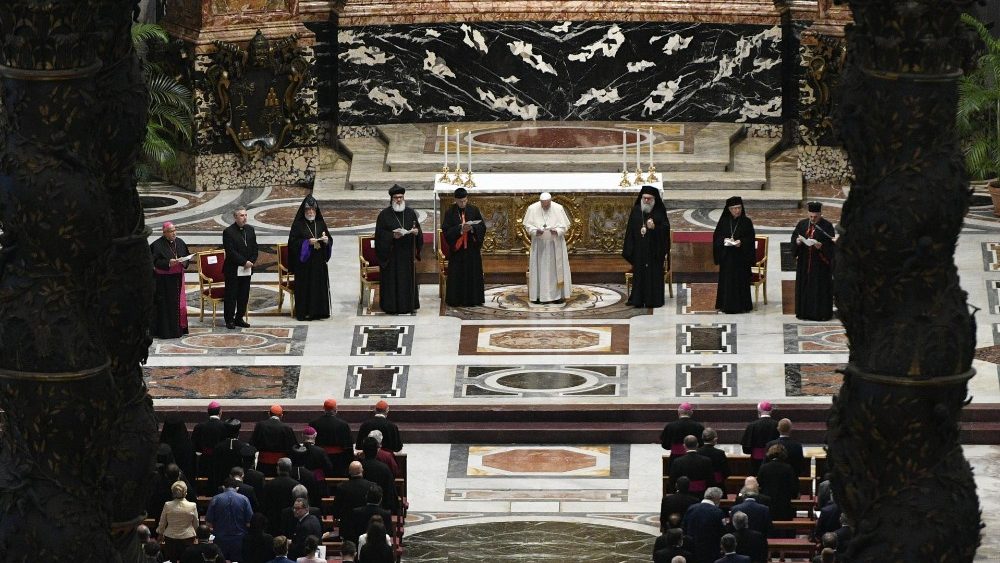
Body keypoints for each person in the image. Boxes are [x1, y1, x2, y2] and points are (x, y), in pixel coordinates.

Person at [374, 185, 423, 314]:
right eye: (396, 198)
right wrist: (392, 236)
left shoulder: (410, 213)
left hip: (406, 255)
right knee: (392, 282)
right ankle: (391, 306)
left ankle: (408, 306)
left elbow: (418, 230)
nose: (399, 200)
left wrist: (416, 232)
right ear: (391, 199)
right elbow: (379, 236)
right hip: (391, 256)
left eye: (401, 197)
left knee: (406, 281)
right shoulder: (384, 215)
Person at [623, 185, 671, 307]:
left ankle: (653, 300)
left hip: (654, 251)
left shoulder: (659, 211)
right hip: (639, 251)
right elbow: (630, 231)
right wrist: (630, 249)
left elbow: (665, 230)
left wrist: (655, 228)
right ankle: (637, 299)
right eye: (644, 198)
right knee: (639, 273)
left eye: (649, 199)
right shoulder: (636, 211)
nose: (646, 201)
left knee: (652, 274)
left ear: (654, 199)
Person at [522, 192, 572, 304]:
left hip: (555, 243)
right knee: (540, 269)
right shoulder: (532, 208)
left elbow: (565, 226)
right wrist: (535, 231)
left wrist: (557, 231)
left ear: (550, 201)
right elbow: (527, 226)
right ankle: (538, 295)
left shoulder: (558, 208)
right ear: (540, 202)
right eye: (543, 204)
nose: (545, 206)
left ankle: (558, 296)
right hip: (539, 244)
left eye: (547, 204)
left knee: (555, 271)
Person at [288, 195, 331, 321]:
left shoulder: (320, 223)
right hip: (304, 265)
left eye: (313, 210)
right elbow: (292, 243)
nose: (311, 212)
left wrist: (327, 241)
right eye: (308, 210)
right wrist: (306, 243)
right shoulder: (298, 225)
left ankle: (320, 311)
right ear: (304, 211)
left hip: (319, 262)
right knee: (306, 288)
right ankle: (306, 312)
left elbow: (329, 239)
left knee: (318, 287)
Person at [441, 187, 487, 306]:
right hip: (458, 251)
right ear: (456, 200)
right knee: (457, 275)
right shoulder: (450, 212)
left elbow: (482, 227)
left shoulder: (474, 210)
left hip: (471, 249)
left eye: (465, 201)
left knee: (473, 274)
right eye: (460, 201)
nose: (463, 203)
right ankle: (456, 300)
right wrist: (460, 229)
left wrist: (472, 228)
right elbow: (446, 231)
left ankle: (473, 299)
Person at [791, 201, 836, 320]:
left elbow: (831, 246)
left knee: (819, 289)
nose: (813, 219)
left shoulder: (827, 226)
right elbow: (794, 237)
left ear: (820, 214)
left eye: (815, 217)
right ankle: (804, 312)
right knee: (805, 288)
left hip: (819, 265)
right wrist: (797, 242)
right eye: (810, 216)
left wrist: (821, 247)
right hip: (804, 263)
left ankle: (819, 314)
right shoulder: (802, 224)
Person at [713, 196, 756, 313]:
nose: (737, 210)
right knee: (727, 282)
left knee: (740, 282)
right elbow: (716, 237)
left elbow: (751, 239)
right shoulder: (723, 222)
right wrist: (724, 240)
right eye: (734, 208)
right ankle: (726, 305)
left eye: (739, 208)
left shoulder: (746, 222)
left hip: (741, 259)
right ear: (729, 209)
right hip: (727, 258)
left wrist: (741, 242)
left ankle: (742, 306)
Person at [150, 221, 192, 338]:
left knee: (177, 305)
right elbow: (153, 262)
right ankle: (166, 332)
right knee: (165, 306)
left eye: (174, 230)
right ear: (164, 233)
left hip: (177, 279)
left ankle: (178, 330)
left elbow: (186, 255)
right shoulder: (156, 245)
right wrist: (168, 263)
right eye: (170, 231)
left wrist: (184, 261)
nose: (174, 233)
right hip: (163, 281)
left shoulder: (180, 242)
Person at [223, 206, 259, 329]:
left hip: (247, 269)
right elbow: (230, 251)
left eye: (245, 215)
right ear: (235, 217)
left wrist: (251, 261)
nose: (244, 218)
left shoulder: (250, 229)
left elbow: (255, 248)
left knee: (244, 295)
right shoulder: (228, 232)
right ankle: (229, 320)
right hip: (233, 269)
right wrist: (244, 262)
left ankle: (239, 318)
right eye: (242, 215)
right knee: (231, 295)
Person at [205, 477, 253, 562]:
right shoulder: (244, 499)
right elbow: (249, 521)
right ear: (237, 488)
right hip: (239, 538)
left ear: (223, 487)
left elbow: (208, 522)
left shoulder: (215, 499)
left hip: (220, 538)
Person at [156, 480, 199, 562]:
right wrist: (197, 534)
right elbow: (196, 523)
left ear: (173, 492)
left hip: (171, 537)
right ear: (185, 492)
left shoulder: (167, 505)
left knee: (172, 560)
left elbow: (162, 522)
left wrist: (160, 533)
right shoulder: (192, 505)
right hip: (188, 537)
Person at [310, 398, 354, 477]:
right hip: (338, 460)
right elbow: (348, 446)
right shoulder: (343, 425)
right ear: (336, 409)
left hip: (319, 459)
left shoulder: (314, 423)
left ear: (324, 409)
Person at [682, 487, 725, 563]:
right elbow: (722, 532)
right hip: (710, 552)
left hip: (692, 549)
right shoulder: (718, 512)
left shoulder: (691, 508)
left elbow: (684, 527)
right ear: (717, 498)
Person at [251, 404, 298, 475]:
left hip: (263, 464)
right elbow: (293, 447)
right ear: (281, 415)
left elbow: (253, 443)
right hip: (281, 465)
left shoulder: (260, 426)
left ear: (269, 414)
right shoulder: (286, 428)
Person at [756, 444, 799, 522]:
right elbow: (793, 486)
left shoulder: (764, 468)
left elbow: (759, 484)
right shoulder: (788, 468)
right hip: (784, 502)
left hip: (767, 501)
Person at [740, 401, 780, 474]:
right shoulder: (777, 425)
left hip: (756, 460)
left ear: (759, 411)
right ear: (771, 411)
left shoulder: (752, 425)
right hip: (773, 459)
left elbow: (746, 449)